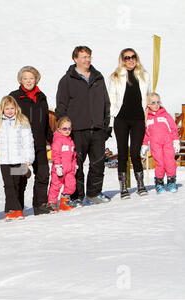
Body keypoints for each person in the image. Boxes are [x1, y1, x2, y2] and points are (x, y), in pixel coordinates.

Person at [55, 46, 111, 206]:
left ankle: (94, 194)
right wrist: (63, 130)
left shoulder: (98, 78)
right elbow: (61, 106)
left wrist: (106, 124)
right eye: (84, 57)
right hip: (76, 130)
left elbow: (106, 102)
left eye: (89, 57)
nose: (87, 60)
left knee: (98, 163)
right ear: (75, 59)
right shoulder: (66, 80)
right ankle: (76, 196)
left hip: (98, 128)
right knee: (76, 165)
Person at [10, 66, 52, 215]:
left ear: (36, 79)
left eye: (31, 78)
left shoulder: (42, 96)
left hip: (39, 144)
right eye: (25, 78)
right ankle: (16, 207)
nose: (28, 81)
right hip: (21, 146)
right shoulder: (14, 96)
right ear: (20, 80)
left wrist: (52, 140)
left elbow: (46, 120)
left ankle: (40, 205)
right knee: (19, 177)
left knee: (43, 174)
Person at [109, 48, 151, 199]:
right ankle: (123, 188)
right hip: (121, 119)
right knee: (122, 153)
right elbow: (111, 97)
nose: (130, 60)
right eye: (126, 58)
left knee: (135, 152)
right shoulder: (115, 76)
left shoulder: (144, 75)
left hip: (138, 118)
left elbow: (147, 95)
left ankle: (140, 185)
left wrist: (148, 115)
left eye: (133, 57)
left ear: (136, 58)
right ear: (122, 59)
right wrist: (113, 114)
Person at [0, 96, 34, 220]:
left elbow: (28, 141)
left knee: (17, 184)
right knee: (8, 185)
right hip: (5, 160)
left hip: (19, 159)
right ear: (2, 109)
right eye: (7, 108)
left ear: (16, 108)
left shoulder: (22, 121)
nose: (10, 111)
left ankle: (14, 208)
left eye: (12, 108)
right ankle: (13, 209)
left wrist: (28, 157)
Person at [140, 93, 180, 194]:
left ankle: (171, 182)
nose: (156, 105)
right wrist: (144, 145)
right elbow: (146, 134)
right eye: (153, 103)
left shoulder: (165, 115)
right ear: (148, 104)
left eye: (158, 102)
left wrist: (175, 141)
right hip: (155, 145)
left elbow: (173, 129)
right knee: (160, 163)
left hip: (167, 143)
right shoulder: (146, 118)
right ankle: (159, 183)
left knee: (170, 162)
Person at [47, 117, 78, 212]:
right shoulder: (57, 140)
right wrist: (57, 166)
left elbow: (73, 155)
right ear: (59, 129)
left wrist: (75, 165)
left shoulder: (70, 141)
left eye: (69, 128)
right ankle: (52, 203)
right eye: (65, 129)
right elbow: (55, 154)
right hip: (59, 169)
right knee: (56, 186)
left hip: (69, 169)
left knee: (71, 185)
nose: (67, 131)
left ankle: (64, 202)